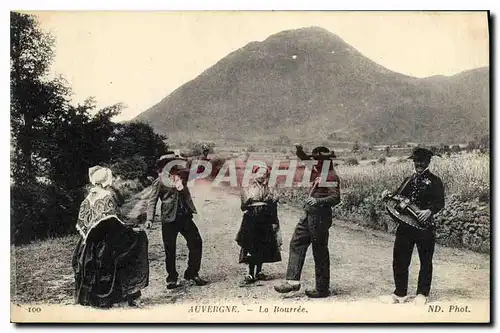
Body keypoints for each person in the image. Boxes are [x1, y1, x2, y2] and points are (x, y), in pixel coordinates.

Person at [72, 166, 149, 308]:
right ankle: (128, 293)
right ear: (106, 180)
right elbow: (112, 222)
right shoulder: (106, 196)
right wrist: (132, 229)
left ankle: (106, 296)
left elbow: (87, 222)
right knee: (138, 240)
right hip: (106, 240)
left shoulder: (89, 197)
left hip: (89, 242)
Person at [274, 145, 341, 298]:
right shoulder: (319, 170)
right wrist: (299, 151)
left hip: (320, 218)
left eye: (318, 159)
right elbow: (306, 160)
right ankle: (292, 282)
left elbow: (336, 198)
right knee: (296, 243)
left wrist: (317, 201)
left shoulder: (330, 175)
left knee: (320, 252)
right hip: (308, 215)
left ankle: (322, 289)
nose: (315, 161)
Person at [381, 147, 445, 305]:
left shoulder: (435, 181)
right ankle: (400, 293)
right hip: (406, 226)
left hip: (425, 227)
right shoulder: (408, 179)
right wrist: (386, 195)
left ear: (428, 162)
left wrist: (429, 211)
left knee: (425, 260)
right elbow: (397, 195)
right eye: (416, 161)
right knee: (400, 259)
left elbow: (440, 202)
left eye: (421, 161)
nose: (418, 164)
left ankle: (422, 294)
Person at [145, 151, 208, 289]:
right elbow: (152, 201)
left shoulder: (182, 177)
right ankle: (171, 278)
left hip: (184, 216)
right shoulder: (159, 181)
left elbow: (198, 171)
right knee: (170, 249)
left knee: (196, 242)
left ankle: (192, 273)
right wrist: (149, 219)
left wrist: (204, 155)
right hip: (169, 219)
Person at [236, 165, 282, 285]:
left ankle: (259, 272)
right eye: (259, 173)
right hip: (252, 218)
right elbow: (244, 205)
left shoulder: (270, 187)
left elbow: (273, 205)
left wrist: (274, 221)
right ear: (254, 173)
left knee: (263, 245)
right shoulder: (248, 186)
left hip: (266, 217)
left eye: (264, 173)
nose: (261, 175)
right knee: (251, 245)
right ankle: (250, 273)